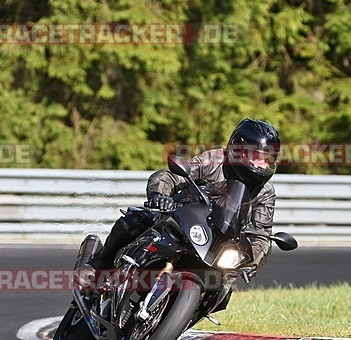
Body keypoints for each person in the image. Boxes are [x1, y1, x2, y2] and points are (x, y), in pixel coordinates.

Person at [78, 118, 280, 289]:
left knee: (221, 287)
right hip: (184, 217)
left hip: (219, 241)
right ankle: (99, 265)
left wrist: (250, 262)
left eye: (267, 158)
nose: (262, 164)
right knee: (136, 219)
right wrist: (160, 195)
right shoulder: (216, 160)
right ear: (238, 150)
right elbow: (169, 177)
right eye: (256, 156)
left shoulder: (266, 192)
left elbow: (262, 235)